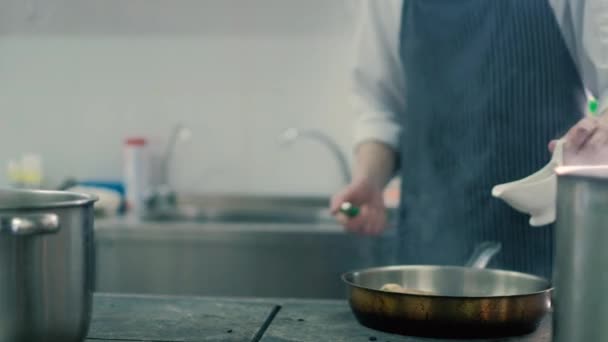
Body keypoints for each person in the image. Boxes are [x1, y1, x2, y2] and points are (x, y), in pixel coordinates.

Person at [331, 0, 608, 278]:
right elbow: (381, 108)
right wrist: (369, 178)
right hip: (429, 249)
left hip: (553, 251)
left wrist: (599, 134)